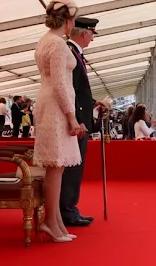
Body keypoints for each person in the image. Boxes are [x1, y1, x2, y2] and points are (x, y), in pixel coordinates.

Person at [33, 0, 83, 243]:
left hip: (48, 103)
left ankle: (56, 221)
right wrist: (72, 118)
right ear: (69, 20)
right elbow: (61, 85)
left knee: (56, 166)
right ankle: (50, 222)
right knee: (56, 167)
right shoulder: (58, 45)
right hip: (55, 107)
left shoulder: (44, 41)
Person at [61, 16, 99, 227]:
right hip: (77, 123)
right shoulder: (71, 53)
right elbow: (71, 91)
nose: (92, 39)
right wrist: (78, 119)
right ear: (85, 33)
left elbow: (80, 91)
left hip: (79, 119)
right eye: (92, 35)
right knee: (73, 167)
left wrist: (95, 102)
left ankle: (69, 208)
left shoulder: (75, 53)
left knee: (75, 167)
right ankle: (67, 210)